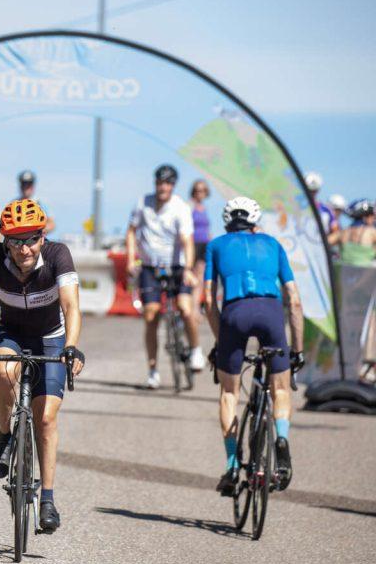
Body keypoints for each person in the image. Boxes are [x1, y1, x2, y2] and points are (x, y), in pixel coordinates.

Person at [0, 199, 84, 533]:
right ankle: (5, 436)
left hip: (51, 337)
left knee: (45, 418)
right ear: (5, 241)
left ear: (42, 238)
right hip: (12, 333)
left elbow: (72, 306)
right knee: (3, 369)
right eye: (16, 241)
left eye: (31, 238)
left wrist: (72, 347)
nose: (25, 248)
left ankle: (47, 498)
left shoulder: (59, 255)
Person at [205, 197, 304, 495]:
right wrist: (296, 350)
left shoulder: (216, 245)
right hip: (271, 313)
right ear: (255, 222)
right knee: (282, 388)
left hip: (235, 313)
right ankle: (282, 441)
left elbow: (209, 303)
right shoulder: (274, 244)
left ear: (227, 222)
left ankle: (233, 463)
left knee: (229, 393)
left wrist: (220, 341)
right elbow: (295, 302)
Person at [126, 164, 205, 388]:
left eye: (168, 183)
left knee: (185, 307)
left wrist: (188, 270)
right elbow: (131, 232)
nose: (163, 187)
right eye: (160, 183)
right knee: (151, 315)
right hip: (151, 267)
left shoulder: (180, 207)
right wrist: (132, 259)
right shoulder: (143, 203)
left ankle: (196, 349)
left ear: (173, 186)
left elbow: (188, 242)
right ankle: (153, 370)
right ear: (155, 184)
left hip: (177, 266)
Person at [330, 199, 376, 265]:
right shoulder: (372, 233)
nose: (373, 219)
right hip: (366, 274)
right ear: (365, 216)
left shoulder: (343, 233)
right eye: (372, 215)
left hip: (345, 273)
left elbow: (323, 242)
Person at [190, 179, 211, 300]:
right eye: (198, 190)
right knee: (192, 276)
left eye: (203, 190)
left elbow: (206, 228)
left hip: (204, 244)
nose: (200, 193)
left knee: (200, 276)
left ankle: (196, 306)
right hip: (193, 244)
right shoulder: (190, 206)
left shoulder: (204, 208)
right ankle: (189, 306)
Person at [305, 171, 339, 243]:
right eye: (309, 190)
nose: (311, 193)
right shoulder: (296, 208)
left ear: (318, 190)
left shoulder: (326, 210)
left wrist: (324, 244)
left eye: (314, 190)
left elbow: (336, 232)